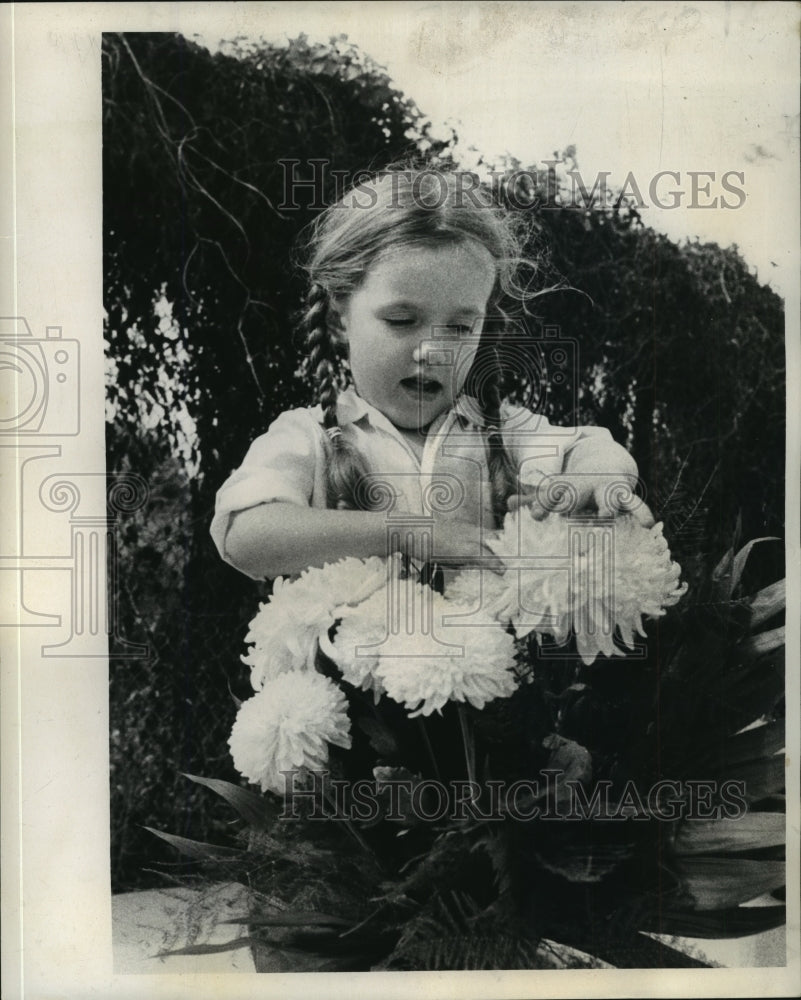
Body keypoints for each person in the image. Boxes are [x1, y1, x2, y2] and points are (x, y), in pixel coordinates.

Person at [210, 169, 645, 582]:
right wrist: (408, 532)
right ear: (341, 319)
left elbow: (592, 446)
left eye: (459, 327)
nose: (434, 351)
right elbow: (245, 534)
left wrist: (598, 477)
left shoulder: (501, 432)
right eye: (402, 320)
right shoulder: (310, 436)